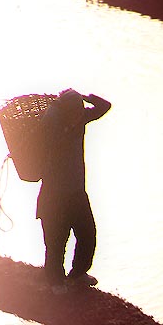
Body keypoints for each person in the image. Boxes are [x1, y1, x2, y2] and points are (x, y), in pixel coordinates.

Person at [37, 88, 111, 291]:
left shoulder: (79, 119)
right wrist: (60, 104)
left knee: (88, 234)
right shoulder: (52, 125)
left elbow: (105, 106)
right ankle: (55, 283)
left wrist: (86, 97)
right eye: (76, 110)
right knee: (56, 242)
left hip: (77, 192)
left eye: (81, 110)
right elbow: (50, 122)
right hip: (54, 196)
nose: (80, 114)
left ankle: (78, 274)